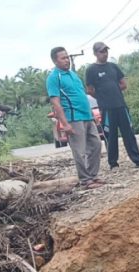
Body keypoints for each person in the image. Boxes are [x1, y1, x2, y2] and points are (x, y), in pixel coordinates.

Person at [46, 47, 105, 189]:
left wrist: (92, 115)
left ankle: (93, 175)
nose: (66, 60)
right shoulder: (54, 78)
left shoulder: (73, 75)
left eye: (67, 57)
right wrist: (64, 123)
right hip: (73, 118)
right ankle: (85, 180)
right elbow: (56, 103)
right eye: (63, 58)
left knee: (96, 144)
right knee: (80, 150)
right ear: (55, 60)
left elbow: (83, 96)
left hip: (87, 116)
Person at [86, 42, 139, 170]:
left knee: (129, 134)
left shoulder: (113, 67)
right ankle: (113, 163)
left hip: (121, 105)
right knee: (111, 136)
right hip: (107, 108)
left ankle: (138, 160)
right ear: (95, 53)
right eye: (101, 51)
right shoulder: (91, 70)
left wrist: (114, 90)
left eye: (105, 51)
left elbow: (123, 84)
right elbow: (90, 89)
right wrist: (102, 96)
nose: (104, 53)